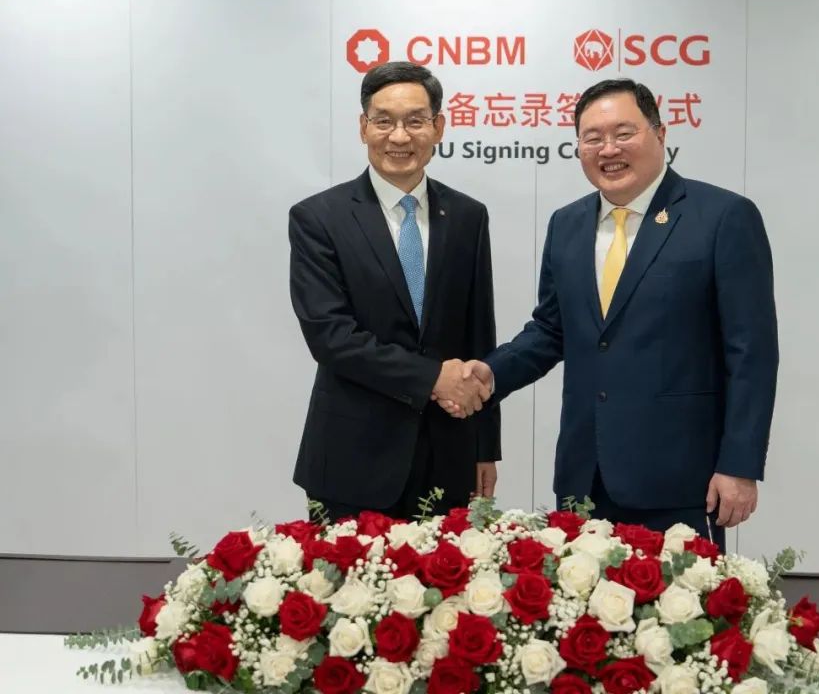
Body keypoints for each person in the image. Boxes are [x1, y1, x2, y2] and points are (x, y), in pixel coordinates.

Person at [447, 78, 777, 548]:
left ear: (660, 134)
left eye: (624, 133)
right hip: (585, 476)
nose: (608, 149)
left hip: (683, 478)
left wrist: (739, 465)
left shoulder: (723, 217)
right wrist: (490, 373)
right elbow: (550, 330)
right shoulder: (567, 223)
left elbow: (752, 353)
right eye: (593, 138)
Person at [289, 61, 498, 523]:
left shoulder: (468, 216)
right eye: (383, 121)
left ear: (438, 127)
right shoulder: (319, 218)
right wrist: (431, 377)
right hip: (351, 458)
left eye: (415, 121)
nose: (399, 136)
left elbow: (479, 336)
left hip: (449, 454)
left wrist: (485, 446)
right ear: (363, 127)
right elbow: (330, 336)